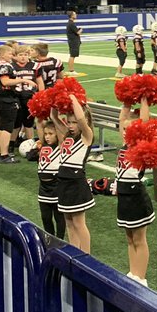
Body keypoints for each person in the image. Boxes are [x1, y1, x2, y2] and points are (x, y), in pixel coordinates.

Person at [116, 98, 155, 286]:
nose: (125, 133)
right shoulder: (124, 145)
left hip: (136, 195)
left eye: (129, 130)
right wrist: (127, 100)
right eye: (124, 130)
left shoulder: (139, 146)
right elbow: (122, 118)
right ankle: (132, 273)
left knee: (139, 238)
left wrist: (144, 98)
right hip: (123, 196)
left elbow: (145, 123)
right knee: (129, 238)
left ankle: (141, 277)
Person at [53, 93, 95, 252]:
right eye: (68, 122)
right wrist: (54, 100)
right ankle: (74, 252)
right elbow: (54, 116)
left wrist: (72, 98)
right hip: (63, 182)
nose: (70, 125)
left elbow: (82, 119)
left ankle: (86, 257)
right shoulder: (66, 134)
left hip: (76, 182)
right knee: (69, 222)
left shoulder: (87, 135)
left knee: (78, 223)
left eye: (74, 122)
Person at [33, 115, 66, 238]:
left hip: (56, 187)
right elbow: (39, 123)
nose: (47, 136)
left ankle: (60, 240)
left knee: (59, 218)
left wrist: (54, 116)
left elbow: (60, 128)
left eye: (51, 133)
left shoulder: (60, 146)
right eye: (46, 133)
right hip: (43, 188)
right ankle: (50, 239)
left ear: (57, 134)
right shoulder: (43, 144)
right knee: (46, 217)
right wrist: (38, 114)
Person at [0, 45, 21, 164]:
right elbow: (5, 81)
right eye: (10, 54)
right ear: (3, 55)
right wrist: (23, 80)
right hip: (6, 98)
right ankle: (4, 155)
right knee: (7, 127)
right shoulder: (4, 66)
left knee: (1, 127)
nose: (12, 56)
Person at [65, 11, 82, 76]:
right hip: (73, 41)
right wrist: (81, 29)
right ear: (71, 15)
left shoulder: (70, 23)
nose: (76, 15)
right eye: (74, 14)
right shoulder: (71, 23)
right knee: (72, 56)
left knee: (72, 55)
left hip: (73, 41)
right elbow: (78, 32)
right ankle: (71, 70)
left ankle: (71, 70)